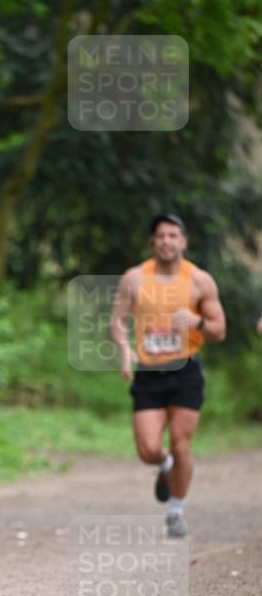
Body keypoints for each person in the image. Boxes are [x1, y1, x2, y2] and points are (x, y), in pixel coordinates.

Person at [111, 213, 226, 537]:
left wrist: (197, 321)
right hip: (148, 372)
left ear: (183, 242)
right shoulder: (134, 278)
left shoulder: (200, 280)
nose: (166, 241)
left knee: (180, 442)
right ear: (152, 242)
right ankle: (163, 467)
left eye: (173, 236)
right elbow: (118, 320)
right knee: (148, 449)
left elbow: (220, 330)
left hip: (185, 369)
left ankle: (176, 511)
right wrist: (124, 350)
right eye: (160, 236)